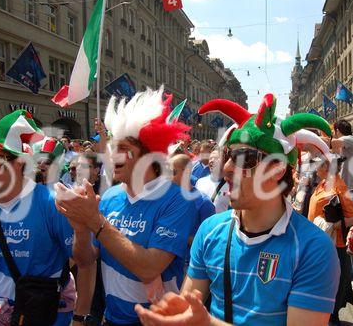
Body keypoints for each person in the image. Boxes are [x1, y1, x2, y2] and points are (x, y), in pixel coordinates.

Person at [136, 94, 340, 326]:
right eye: (228, 156)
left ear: (278, 170)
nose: (227, 168)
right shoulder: (211, 230)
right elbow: (188, 310)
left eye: (244, 158)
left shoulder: (313, 248)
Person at [55, 88, 196, 325]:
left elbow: (150, 268)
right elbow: (86, 261)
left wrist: (95, 222)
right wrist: (80, 228)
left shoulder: (177, 199)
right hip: (111, 319)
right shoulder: (109, 197)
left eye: (123, 148)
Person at [0, 110, 93, 326]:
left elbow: (85, 263)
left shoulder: (53, 204)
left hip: (51, 315)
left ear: (19, 162)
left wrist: (80, 317)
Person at [308, 157, 353, 325]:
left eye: (317, 166)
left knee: (334, 280)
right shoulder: (323, 183)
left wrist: (330, 225)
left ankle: (333, 315)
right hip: (320, 240)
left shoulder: (340, 186)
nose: (315, 169)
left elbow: (352, 217)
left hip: (335, 243)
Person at [324, 120, 353, 292]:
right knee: (349, 233)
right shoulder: (347, 147)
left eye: (333, 132)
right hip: (350, 193)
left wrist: (315, 138)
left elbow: (331, 144)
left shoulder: (351, 140)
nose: (333, 135)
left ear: (337, 131)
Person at [169, 154, 215, 268]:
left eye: (172, 172)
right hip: (165, 262)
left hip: (188, 265)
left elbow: (209, 241)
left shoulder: (204, 203)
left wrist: (176, 234)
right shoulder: (166, 199)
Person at [195, 148, 230, 213]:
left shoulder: (231, 185)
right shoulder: (200, 182)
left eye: (216, 158)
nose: (212, 161)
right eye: (210, 158)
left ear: (225, 162)